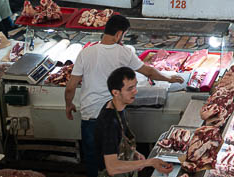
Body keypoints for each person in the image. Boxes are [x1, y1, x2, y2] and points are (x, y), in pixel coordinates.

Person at [64, 14, 182, 177]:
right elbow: (147, 71)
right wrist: (168, 78)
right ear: (119, 34)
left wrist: (68, 104)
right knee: (116, 161)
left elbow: (70, 87)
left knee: (93, 162)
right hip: (112, 114)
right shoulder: (122, 52)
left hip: (89, 116)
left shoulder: (86, 53)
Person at [95, 67, 172, 176]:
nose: (135, 91)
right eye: (130, 88)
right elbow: (112, 167)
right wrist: (149, 162)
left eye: (135, 86)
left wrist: (133, 152)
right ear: (116, 92)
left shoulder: (117, 106)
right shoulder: (110, 123)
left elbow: (119, 143)